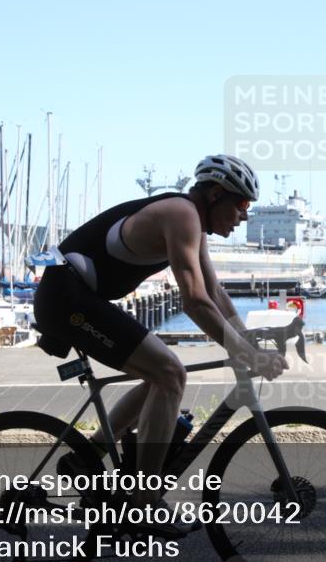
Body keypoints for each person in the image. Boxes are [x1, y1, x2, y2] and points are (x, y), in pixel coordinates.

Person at [33, 154, 289, 533]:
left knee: (161, 375)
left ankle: (87, 458)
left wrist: (247, 340)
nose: (245, 216)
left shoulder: (193, 223)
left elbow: (214, 291)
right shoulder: (181, 214)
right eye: (242, 204)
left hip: (78, 296)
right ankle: (145, 503)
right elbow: (194, 300)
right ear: (217, 194)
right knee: (170, 373)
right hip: (66, 298)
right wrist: (245, 352)